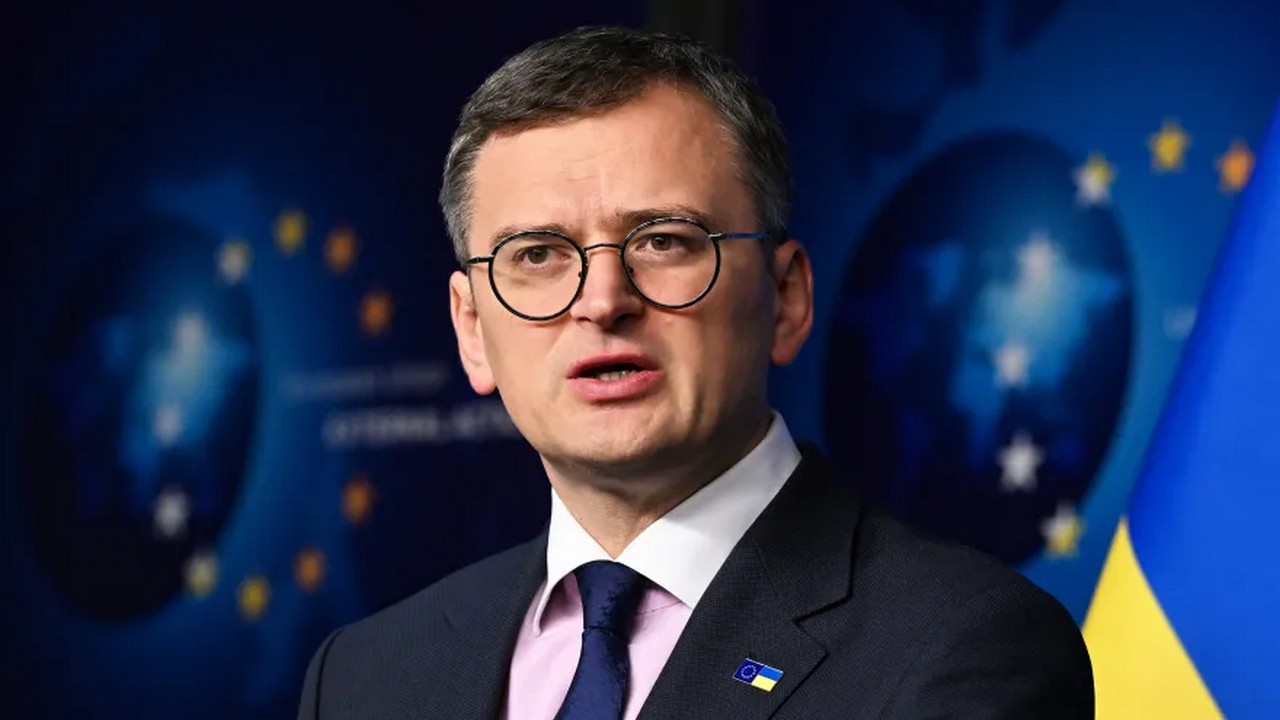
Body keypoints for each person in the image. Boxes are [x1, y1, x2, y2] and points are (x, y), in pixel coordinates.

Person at [297, 25, 1093, 720]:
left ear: (786, 299)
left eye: (664, 241)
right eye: (537, 255)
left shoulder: (965, 646)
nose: (602, 301)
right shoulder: (364, 677)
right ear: (473, 329)